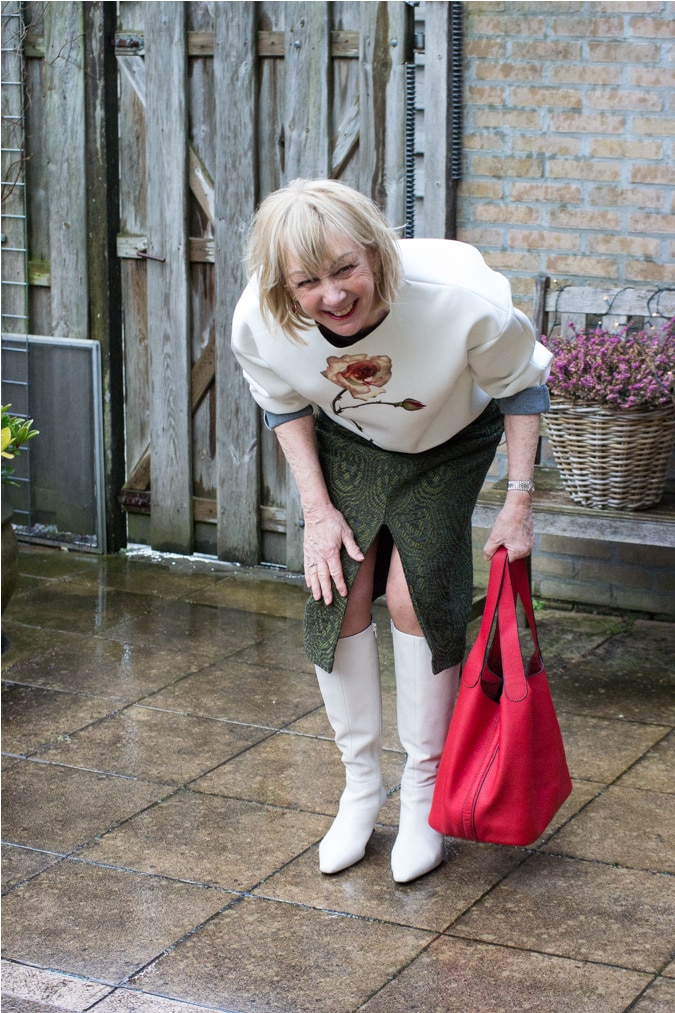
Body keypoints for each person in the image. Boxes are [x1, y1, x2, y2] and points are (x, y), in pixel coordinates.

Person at [231, 178, 552, 883]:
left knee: (416, 594)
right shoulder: (260, 316)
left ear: (374, 250)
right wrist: (318, 513)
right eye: (307, 282)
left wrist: (516, 501)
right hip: (347, 441)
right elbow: (283, 407)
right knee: (335, 584)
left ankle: (422, 790)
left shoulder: (460, 300)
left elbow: (522, 386)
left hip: (449, 438)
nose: (333, 295)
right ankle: (360, 787)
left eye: (345, 269)